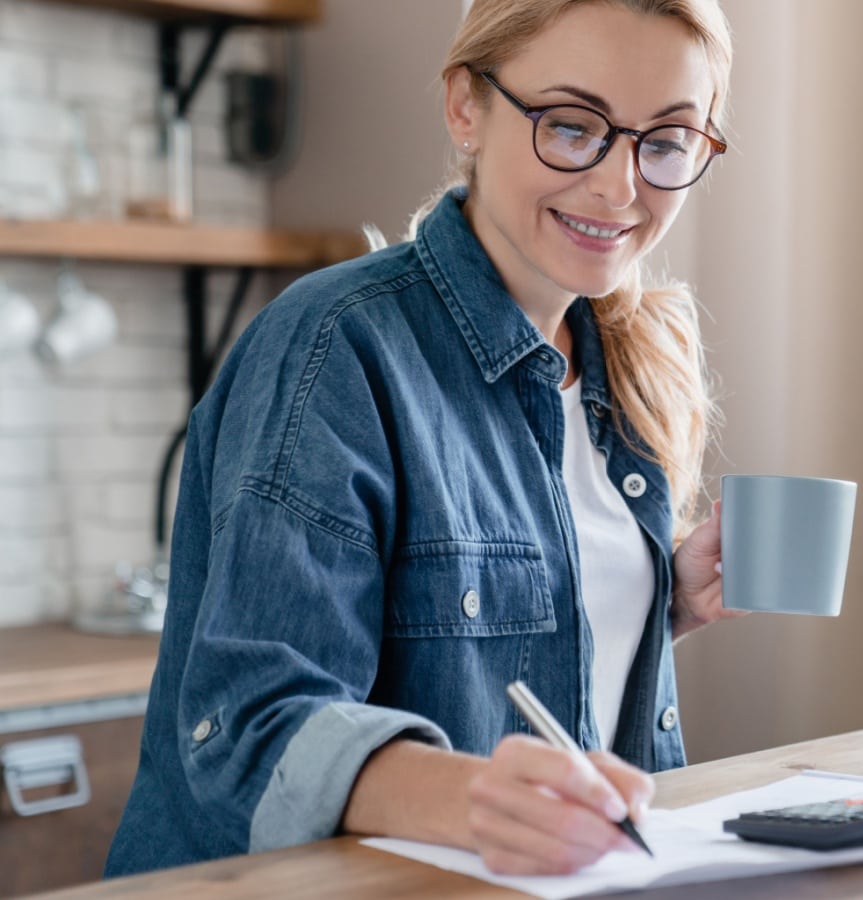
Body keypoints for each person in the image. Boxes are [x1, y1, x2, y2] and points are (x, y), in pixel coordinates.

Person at [106, 0, 740, 877]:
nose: (619, 184)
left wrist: (662, 589)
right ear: (465, 107)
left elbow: (485, 637)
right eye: (570, 125)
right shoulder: (335, 347)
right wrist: (474, 801)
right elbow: (250, 723)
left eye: (665, 141)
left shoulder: (614, 371)